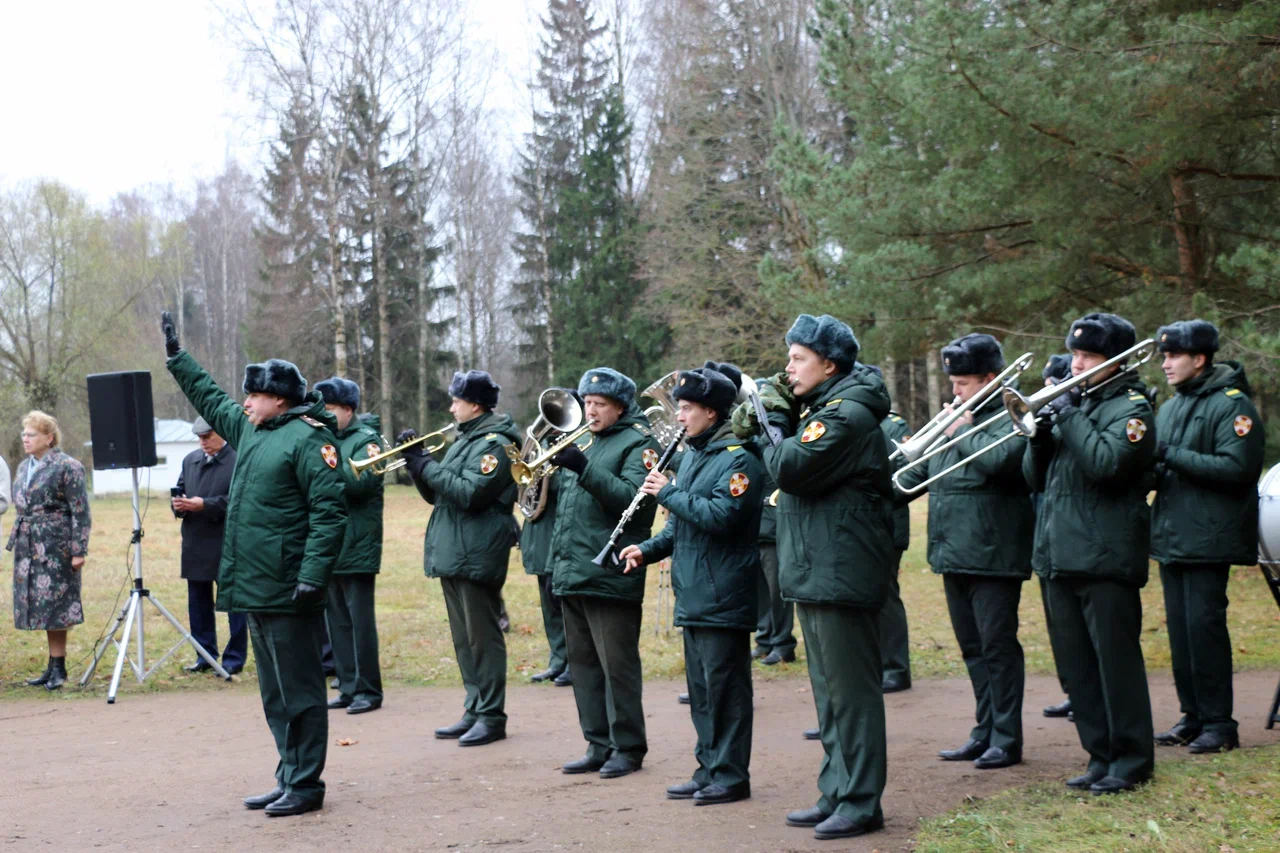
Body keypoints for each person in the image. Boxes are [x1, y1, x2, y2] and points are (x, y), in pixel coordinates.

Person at [162, 312, 347, 817]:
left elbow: (329, 516)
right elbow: (213, 399)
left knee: (302, 689)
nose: (244, 403)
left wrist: (312, 575)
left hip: (290, 588)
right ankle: (288, 774)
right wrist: (179, 360)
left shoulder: (311, 440)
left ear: (279, 399)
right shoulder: (254, 432)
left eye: (254, 395)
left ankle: (307, 784)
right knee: (275, 692)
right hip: (256, 585)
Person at [739, 314, 894, 840]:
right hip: (821, 564)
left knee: (852, 695)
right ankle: (837, 790)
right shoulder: (825, 407)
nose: (788, 367)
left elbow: (790, 467)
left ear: (829, 364)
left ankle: (861, 800)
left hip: (841, 566)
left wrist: (771, 426)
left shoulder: (846, 414)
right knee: (829, 693)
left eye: (798, 357)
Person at [1023, 312, 1156, 795]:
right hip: (1059, 553)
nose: (1075, 364)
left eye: (1087, 357)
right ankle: (1100, 754)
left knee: (1115, 661)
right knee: (1077, 664)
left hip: (1105, 554)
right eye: (1075, 354)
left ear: (1115, 360)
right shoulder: (1075, 405)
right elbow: (1035, 479)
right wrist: (1038, 437)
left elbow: (1106, 464)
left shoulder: (1133, 408)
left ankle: (1132, 758)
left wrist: (1068, 414)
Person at [622, 365, 764, 806]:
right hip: (696, 590)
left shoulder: (739, 457)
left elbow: (721, 518)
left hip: (723, 590)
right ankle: (708, 768)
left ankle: (731, 775)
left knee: (726, 691)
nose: (679, 417)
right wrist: (646, 549)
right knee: (703, 691)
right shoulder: (695, 456)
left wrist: (666, 493)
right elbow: (685, 524)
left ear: (711, 412)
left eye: (685, 409)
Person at [894, 335, 1034, 770]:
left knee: (997, 646)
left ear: (991, 379)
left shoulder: (1011, 414)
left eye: (963, 383)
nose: (954, 393)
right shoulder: (959, 416)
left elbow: (1002, 462)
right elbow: (913, 474)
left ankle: (1007, 737)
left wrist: (961, 430)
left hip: (994, 553)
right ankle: (984, 730)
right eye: (952, 383)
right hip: (953, 551)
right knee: (973, 648)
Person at [1150, 320, 1264, 754]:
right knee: (1181, 634)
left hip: (1208, 537)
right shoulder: (1171, 407)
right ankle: (1193, 717)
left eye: (1173, 356)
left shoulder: (1232, 406)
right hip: (1173, 535)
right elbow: (1167, 466)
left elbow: (1237, 470)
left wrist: (1168, 455)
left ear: (1199, 359)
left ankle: (1220, 723)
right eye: (1163, 356)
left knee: (1204, 630)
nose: (1165, 364)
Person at [548, 367, 661, 780]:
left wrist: (582, 468)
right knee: (583, 665)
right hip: (574, 570)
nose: (590, 411)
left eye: (599, 405)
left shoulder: (639, 443)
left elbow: (635, 503)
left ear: (620, 406)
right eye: (587, 403)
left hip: (612, 571)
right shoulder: (589, 441)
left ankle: (628, 747)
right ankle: (597, 743)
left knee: (617, 666)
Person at [400, 370, 522, 747]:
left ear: (475, 405)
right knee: (463, 638)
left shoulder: (495, 443)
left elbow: (470, 493)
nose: (451, 407)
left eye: (456, 401)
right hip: (456, 547)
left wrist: (426, 464)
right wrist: (414, 464)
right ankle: (475, 706)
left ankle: (491, 715)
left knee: (482, 637)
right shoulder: (465, 439)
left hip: (477, 548)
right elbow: (439, 495)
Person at [315, 377, 386, 716]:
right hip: (329, 544)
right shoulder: (325, 439)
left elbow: (361, 482)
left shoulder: (367, 441)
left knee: (359, 623)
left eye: (329, 410)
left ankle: (368, 689)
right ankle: (346, 685)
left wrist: (323, 468)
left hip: (357, 544)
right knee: (337, 623)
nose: (324, 417)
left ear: (347, 409)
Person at [10, 411, 91, 692]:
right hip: (28, 546)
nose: (25, 438)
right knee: (41, 607)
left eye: (31, 434)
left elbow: (81, 512)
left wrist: (79, 550)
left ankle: (59, 667)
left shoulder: (68, 466)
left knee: (56, 606)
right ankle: (51, 665)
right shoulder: (23, 467)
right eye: (24, 434)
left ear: (49, 437)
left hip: (56, 548)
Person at [173, 417, 244, 675]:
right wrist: (178, 505)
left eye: (208, 436)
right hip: (195, 542)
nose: (203, 442)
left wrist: (206, 505)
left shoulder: (238, 458)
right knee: (198, 604)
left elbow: (240, 500)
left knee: (235, 605)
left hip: (227, 542)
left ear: (222, 433)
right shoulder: (190, 460)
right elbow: (180, 489)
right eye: (199, 438)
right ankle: (204, 655)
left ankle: (234, 659)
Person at [521, 389, 575, 687]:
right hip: (540, 530)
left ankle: (572, 662)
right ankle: (557, 660)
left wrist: (550, 472)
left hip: (559, 527)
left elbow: (569, 483)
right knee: (547, 602)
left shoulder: (574, 442)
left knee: (562, 601)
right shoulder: (541, 441)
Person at [869, 363, 912, 694]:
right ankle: (878, 662)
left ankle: (896, 667)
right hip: (865, 525)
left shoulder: (893, 425)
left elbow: (903, 470)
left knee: (886, 596)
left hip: (889, 522)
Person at [1037, 353, 1074, 721]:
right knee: (1059, 627)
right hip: (1048, 537)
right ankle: (1073, 690)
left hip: (1072, 534)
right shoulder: (1060, 420)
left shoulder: (1073, 415)